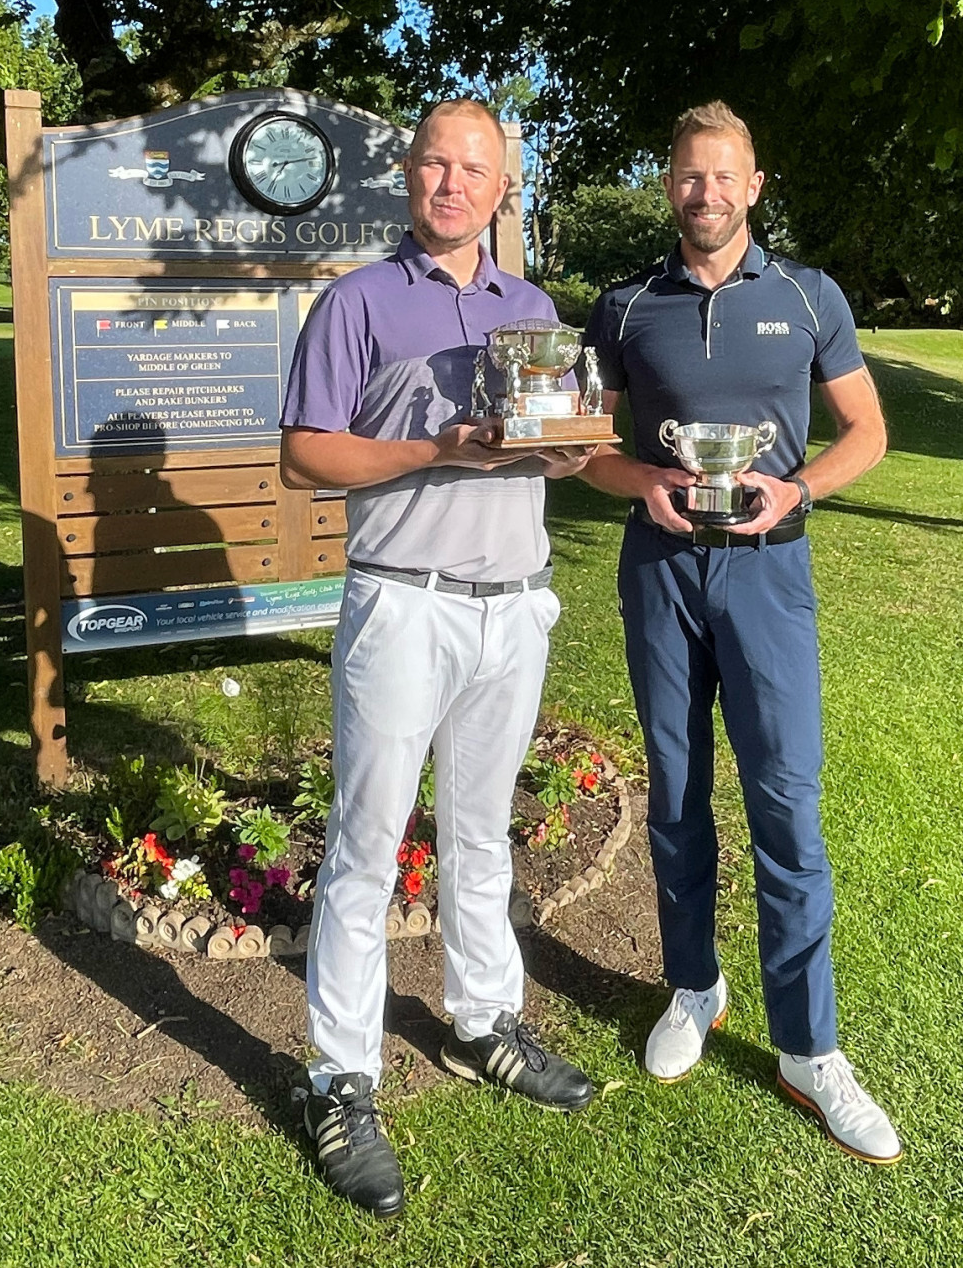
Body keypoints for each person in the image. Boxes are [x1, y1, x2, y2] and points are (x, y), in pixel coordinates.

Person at [279, 99, 595, 1218]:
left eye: (473, 168)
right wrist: (432, 446)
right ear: (406, 177)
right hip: (404, 604)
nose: (450, 183)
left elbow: (546, 439)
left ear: (502, 187)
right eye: (432, 164)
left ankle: (482, 1024)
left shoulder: (532, 307)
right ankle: (341, 1078)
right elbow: (305, 454)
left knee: (477, 833)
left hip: (513, 603)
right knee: (366, 847)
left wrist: (562, 445)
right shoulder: (356, 301)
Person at [580, 101, 901, 1165]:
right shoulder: (624, 306)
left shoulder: (808, 296)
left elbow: (868, 431)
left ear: (753, 186)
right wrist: (648, 485)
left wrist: (796, 490)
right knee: (674, 794)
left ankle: (809, 1048)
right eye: (687, 176)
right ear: (666, 183)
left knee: (785, 803)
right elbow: (583, 447)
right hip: (660, 569)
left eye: (724, 177)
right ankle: (695, 987)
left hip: (768, 575)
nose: (705, 193)